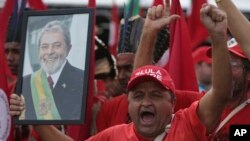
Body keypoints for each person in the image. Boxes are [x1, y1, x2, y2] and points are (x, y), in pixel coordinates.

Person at [10, 3, 232, 141]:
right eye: (138, 95)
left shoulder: (187, 124)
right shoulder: (115, 135)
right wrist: (33, 116)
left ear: (172, 101)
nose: (146, 102)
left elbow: (221, 93)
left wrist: (218, 37)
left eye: (155, 94)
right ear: (129, 103)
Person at [20, 20, 84, 120]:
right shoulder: (25, 83)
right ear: (38, 50)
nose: (49, 52)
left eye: (57, 46)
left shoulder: (82, 80)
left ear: (68, 49)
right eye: (44, 47)